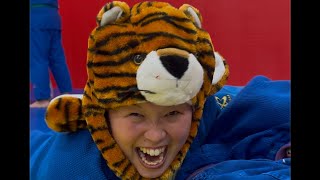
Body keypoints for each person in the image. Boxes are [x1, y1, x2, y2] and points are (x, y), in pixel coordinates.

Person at [30, 1, 290, 179]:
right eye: (135, 115)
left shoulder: (208, 106)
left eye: (172, 114)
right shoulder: (70, 165)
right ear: (103, 115)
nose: (154, 136)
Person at [30, 0, 73, 108]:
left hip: (36, 15)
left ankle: (43, 99)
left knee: (38, 58)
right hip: (53, 15)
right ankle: (66, 93)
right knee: (57, 58)